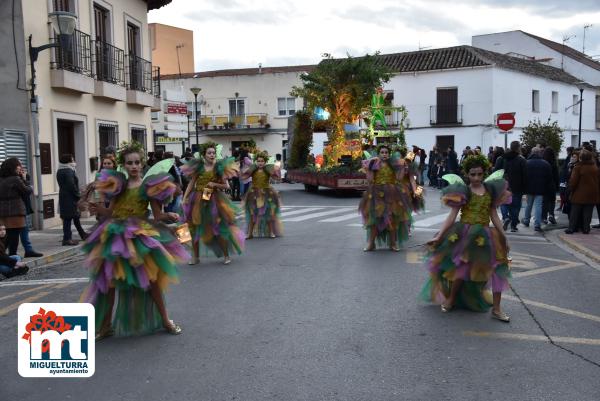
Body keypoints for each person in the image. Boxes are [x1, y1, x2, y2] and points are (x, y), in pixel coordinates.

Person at [82, 141, 189, 340]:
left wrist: (170, 216)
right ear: (123, 165)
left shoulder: (149, 187)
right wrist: (97, 209)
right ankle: (105, 326)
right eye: (129, 163)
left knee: (152, 280)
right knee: (109, 282)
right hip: (115, 235)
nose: (133, 166)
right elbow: (111, 212)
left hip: (139, 235)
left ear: (142, 164)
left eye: (137, 162)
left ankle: (165, 320)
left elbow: (157, 215)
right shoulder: (118, 185)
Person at [420, 154, 512, 322]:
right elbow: (452, 215)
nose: (476, 177)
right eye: (472, 174)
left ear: (484, 173)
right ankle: (451, 298)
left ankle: (497, 309)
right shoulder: (464, 191)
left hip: (487, 234)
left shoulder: (491, 190)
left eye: (479, 174)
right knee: (461, 269)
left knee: (499, 269)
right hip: (465, 234)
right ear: (467, 175)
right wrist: (439, 236)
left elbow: (494, 215)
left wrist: (503, 236)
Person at [182, 142, 244, 265]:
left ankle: (226, 255)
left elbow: (226, 186)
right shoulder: (199, 167)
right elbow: (191, 183)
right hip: (197, 200)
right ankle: (195, 257)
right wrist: (185, 197)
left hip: (214, 201)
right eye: (209, 153)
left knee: (219, 228)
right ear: (203, 155)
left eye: (213, 153)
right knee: (192, 228)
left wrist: (214, 184)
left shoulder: (218, 167)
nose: (212, 155)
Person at [359, 145, 415, 252]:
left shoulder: (393, 165)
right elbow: (370, 180)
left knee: (392, 219)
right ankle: (371, 244)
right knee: (374, 220)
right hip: (376, 194)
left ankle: (393, 244)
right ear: (379, 154)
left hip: (391, 194)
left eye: (386, 152)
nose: (384, 154)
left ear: (389, 154)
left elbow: (398, 178)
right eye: (382, 152)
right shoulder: (374, 164)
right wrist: (369, 169)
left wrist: (403, 168)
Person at [241, 150, 283, 239]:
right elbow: (244, 176)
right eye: (258, 161)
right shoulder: (253, 169)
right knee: (252, 214)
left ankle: (271, 232)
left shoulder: (268, 170)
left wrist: (277, 169)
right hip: (254, 194)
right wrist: (243, 170)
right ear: (256, 161)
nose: (260, 163)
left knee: (268, 214)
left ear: (265, 162)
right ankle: (250, 233)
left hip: (267, 193)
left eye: (262, 161)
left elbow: (277, 178)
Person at [0, 157, 32, 255]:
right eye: (19, 165)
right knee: (14, 236)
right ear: (13, 167)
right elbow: (27, 191)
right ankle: (12, 257)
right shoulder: (15, 179)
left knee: (6, 236)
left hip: (3, 212)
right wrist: (25, 179)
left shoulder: (1, 179)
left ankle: (4, 256)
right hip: (15, 211)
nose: (20, 167)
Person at [494, 141, 527, 232]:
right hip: (517, 187)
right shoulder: (522, 160)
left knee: (503, 203)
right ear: (518, 148)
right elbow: (525, 175)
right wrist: (525, 187)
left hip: (504, 186)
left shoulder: (502, 158)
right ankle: (513, 225)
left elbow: (496, 172)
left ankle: (505, 217)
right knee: (515, 206)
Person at [565, 149, 600, 234]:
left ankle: (571, 228)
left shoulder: (578, 167)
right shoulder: (595, 167)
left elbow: (573, 181)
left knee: (575, 212)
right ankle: (586, 228)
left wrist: (569, 189)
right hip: (592, 193)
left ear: (581, 158)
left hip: (579, 193)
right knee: (588, 212)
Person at [56, 154, 88, 245]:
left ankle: (82, 234)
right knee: (68, 218)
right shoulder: (68, 171)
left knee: (75, 216)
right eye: (72, 160)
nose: (74, 161)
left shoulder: (60, 170)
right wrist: (78, 195)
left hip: (64, 196)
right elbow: (71, 185)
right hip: (70, 198)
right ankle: (67, 239)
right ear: (68, 161)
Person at [522, 147, 552, 232]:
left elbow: (523, 177)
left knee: (529, 205)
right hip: (541, 188)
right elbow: (549, 178)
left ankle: (526, 220)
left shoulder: (526, 163)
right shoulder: (545, 164)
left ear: (532, 153)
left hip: (529, 188)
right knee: (538, 206)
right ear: (540, 153)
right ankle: (537, 224)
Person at [17, 166, 43, 257]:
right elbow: (27, 189)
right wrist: (25, 180)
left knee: (24, 229)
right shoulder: (14, 179)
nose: (22, 170)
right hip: (17, 209)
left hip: (23, 207)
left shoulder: (22, 177)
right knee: (14, 232)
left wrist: (25, 178)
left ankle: (28, 250)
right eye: (19, 168)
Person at [541, 147, 559, 225]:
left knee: (545, 202)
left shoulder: (543, 163)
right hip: (552, 184)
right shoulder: (554, 163)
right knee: (552, 201)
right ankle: (551, 215)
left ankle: (544, 217)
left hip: (544, 184)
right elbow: (556, 176)